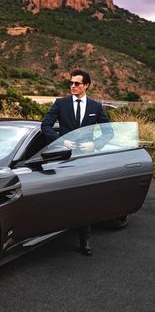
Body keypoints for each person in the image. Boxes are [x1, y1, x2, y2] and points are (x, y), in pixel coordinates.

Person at [41, 69, 112, 256]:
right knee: (62, 195)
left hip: (85, 159)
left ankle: (84, 239)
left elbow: (109, 132)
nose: (73, 86)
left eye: (77, 83)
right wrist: (60, 140)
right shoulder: (61, 103)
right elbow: (45, 125)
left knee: (85, 198)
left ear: (86, 85)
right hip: (63, 157)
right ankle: (52, 234)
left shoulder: (96, 107)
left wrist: (94, 144)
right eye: (71, 83)